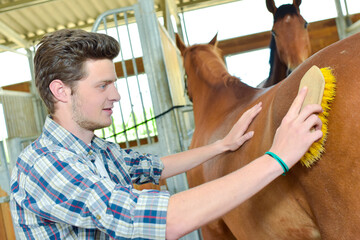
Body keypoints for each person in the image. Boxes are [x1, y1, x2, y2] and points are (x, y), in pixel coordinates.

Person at [10, 29, 323, 240]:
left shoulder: (98, 150)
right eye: (103, 86)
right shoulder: (43, 165)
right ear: (60, 91)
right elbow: (160, 219)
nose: (116, 95)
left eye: (114, 83)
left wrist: (220, 146)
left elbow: (155, 166)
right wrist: (276, 159)